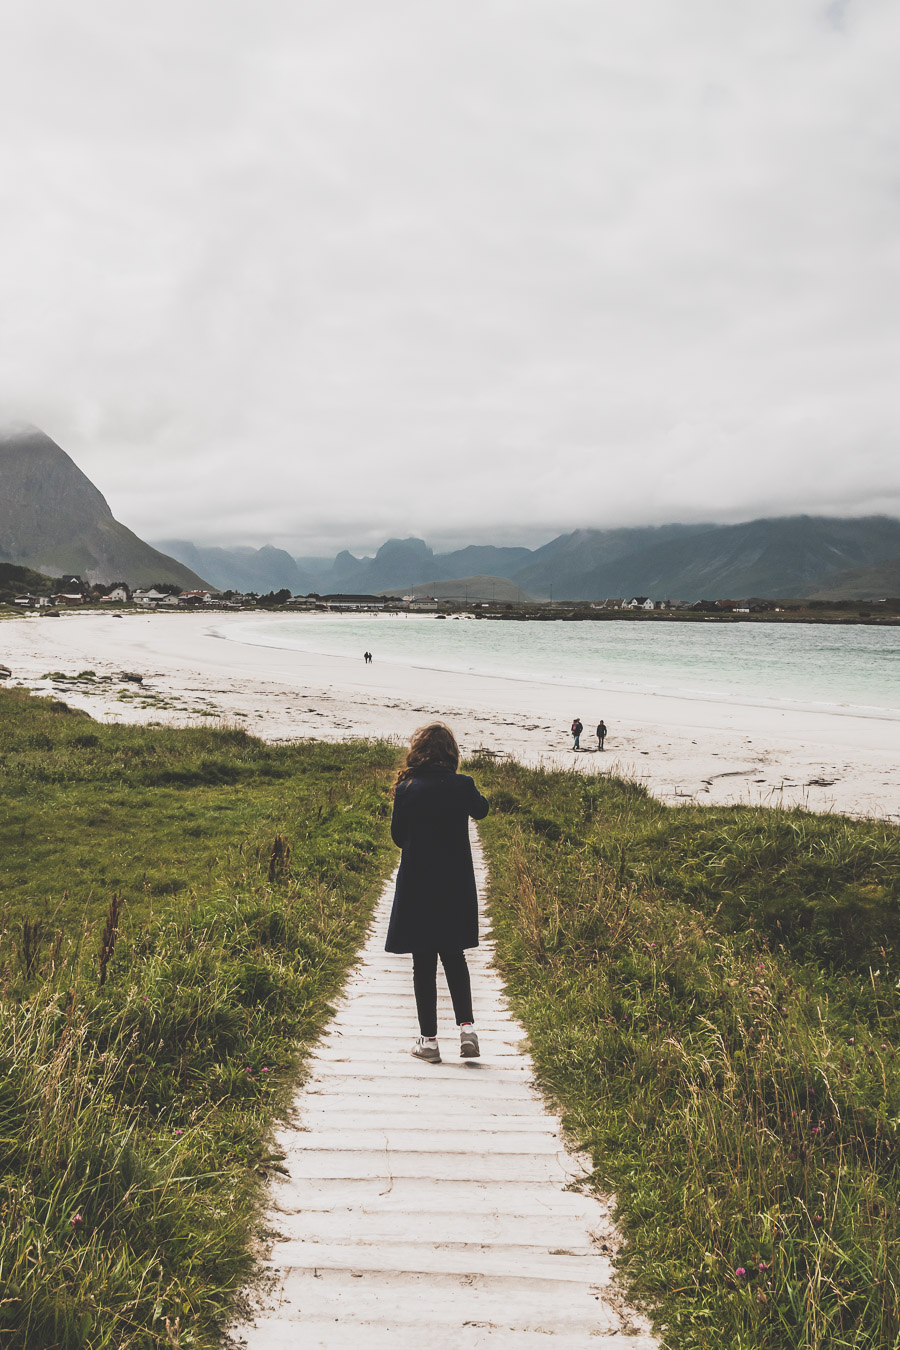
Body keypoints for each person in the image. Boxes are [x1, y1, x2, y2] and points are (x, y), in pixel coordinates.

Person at [386, 722, 489, 1064]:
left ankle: (428, 1042)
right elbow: (482, 809)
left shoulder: (408, 787)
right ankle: (467, 1030)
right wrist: (463, 788)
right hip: (455, 884)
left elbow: (398, 837)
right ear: (451, 753)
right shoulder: (462, 785)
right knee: (455, 957)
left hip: (418, 883)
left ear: (419, 751)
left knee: (423, 963)